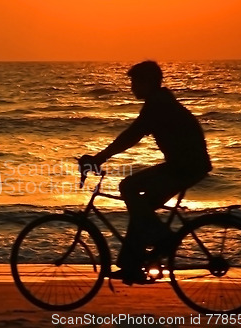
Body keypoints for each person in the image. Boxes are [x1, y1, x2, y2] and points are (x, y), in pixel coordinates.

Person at [79, 61, 212, 285]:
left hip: (185, 166)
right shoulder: (160, 101)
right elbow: (133, 135)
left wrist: (100, 158)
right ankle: (131, 266)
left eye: (135, 82)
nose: (132, 88)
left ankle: (164, 239)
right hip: (187, 164)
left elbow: (131, 136)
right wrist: (102, 156)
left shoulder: (157, 105)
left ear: (148, 82)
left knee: (128, 186)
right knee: (142, 211)